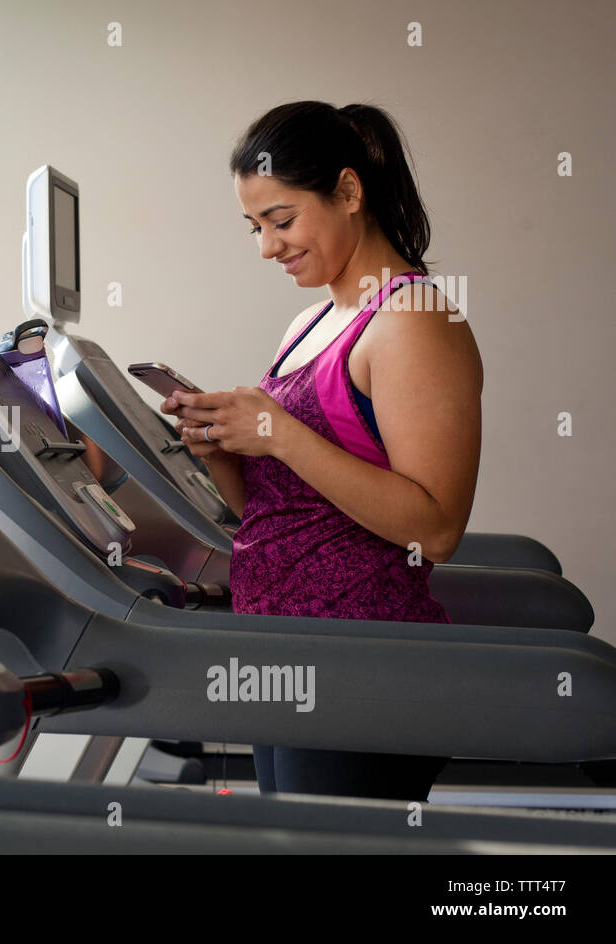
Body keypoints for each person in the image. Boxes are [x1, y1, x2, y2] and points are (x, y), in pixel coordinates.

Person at [162, 101, 483, 801]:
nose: (267, 248)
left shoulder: (413, 320)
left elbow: (436, 529)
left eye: (281, 221)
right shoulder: (309, 322)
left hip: (359, 659)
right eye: (255, 228)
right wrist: (222, 445)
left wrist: (278, 431)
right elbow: (284, 508)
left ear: (347, 192)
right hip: (284, 652)